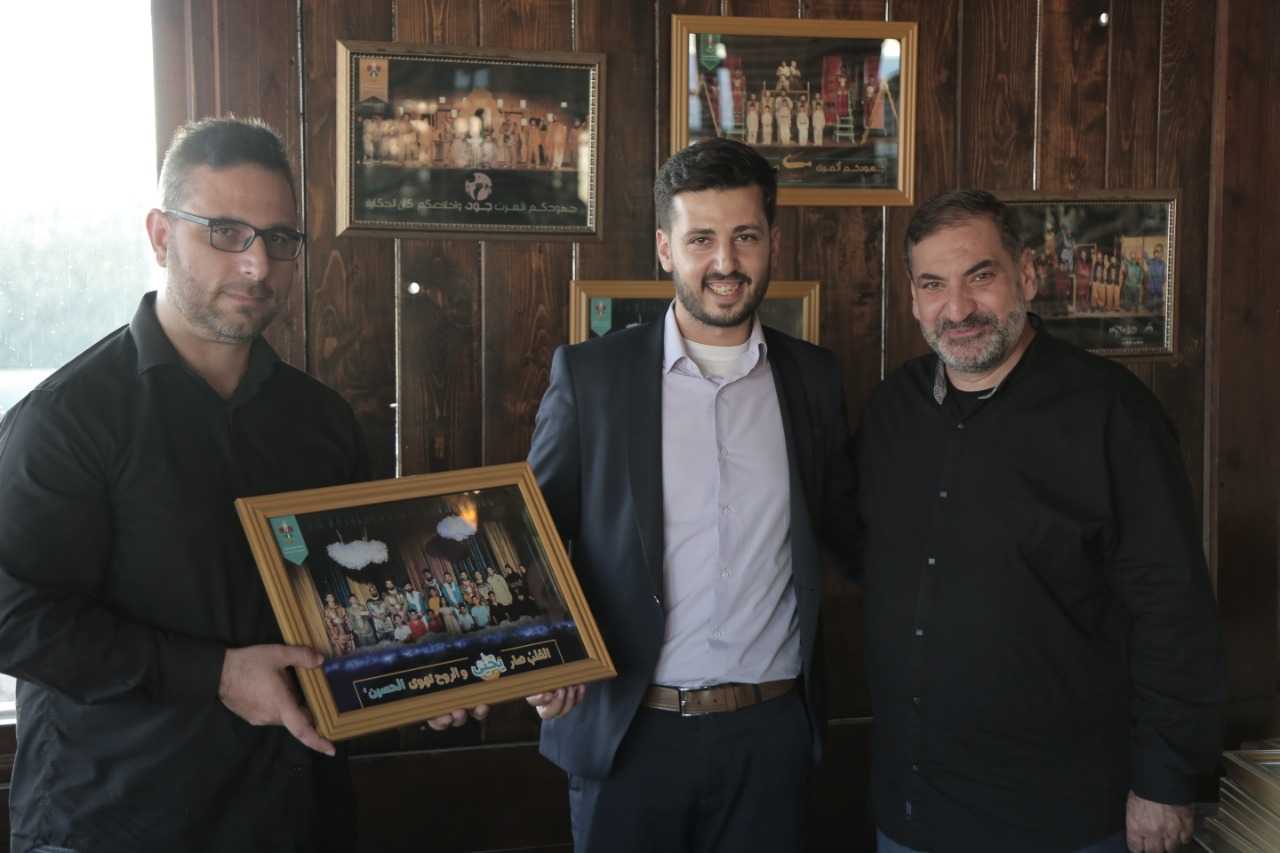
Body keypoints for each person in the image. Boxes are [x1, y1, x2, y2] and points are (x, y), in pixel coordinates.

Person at [0, 116, 483, 853]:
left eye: (279, 238)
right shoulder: (67, 418)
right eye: (225, 232)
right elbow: (12, 617)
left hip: (296, 814)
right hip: (116, 820)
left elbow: (354, 599)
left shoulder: (321, 421)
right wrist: (215, 675)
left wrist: (424, 675)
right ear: (161, 235)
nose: (258, 264)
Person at [856, 189, 1224, 853]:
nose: (957, 308)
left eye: (980, 276)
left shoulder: (1112, 414)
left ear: (1026, 275)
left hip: (1064, 816)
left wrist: (1167, 780)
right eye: (933, 285)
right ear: (912, 298)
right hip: (915, 811)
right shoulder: (892, 410)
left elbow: (1173, 606)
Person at [526, 137, 857, 853]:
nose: (726, 262)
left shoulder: (815, 379)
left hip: (769, 735)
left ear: (773, 242)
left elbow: (848, 530)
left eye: (745, 237)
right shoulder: (591, 377)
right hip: (628, 733)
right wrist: (545, 656)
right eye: (701, 239)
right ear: (665, 248)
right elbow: (533, 542)